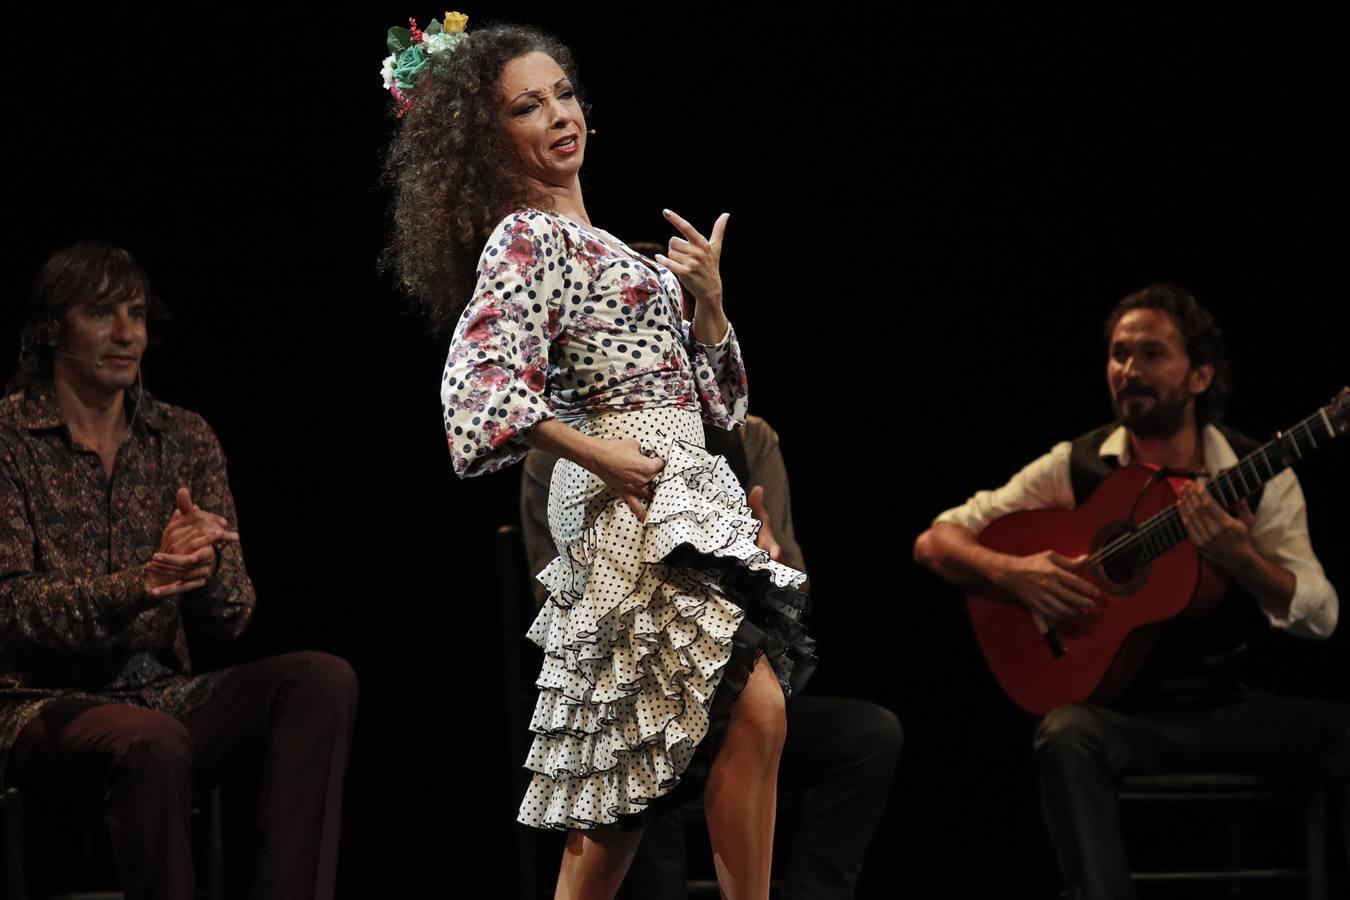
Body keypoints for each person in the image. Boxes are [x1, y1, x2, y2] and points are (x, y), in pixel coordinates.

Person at [381, 16, 816, 899]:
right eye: (527, 106)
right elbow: (478, 386)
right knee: (655, 763)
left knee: (659, 761)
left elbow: (724, 405)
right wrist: (600, 457)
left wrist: (710, 307)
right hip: (624, 505)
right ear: (487, 138)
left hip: (687, 490)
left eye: (565, 94)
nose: (558, 114)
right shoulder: (525, 239)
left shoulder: (625, 252)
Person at [912, 283, 1346, 899]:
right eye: (1118, 355)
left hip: (1223, 708)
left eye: (1151, 354)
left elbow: (1322, 613)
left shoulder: (1257, 473)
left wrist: (1240, 559)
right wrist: (1015, 573)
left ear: (1199, 375)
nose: (1128, 371)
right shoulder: (1079, 465)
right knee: (1064, 736)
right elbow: (936, 540)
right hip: (1120, 716)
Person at [0, 243, 358, 900]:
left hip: (164, 696)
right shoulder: (9, 440)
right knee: (154, 742)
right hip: (37, 706)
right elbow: (13, 610)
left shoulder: (183, 437)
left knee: (319, 681)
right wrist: (140, 584)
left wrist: (205, 566)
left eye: (136, 314)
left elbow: (235, 614)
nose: (128, 334)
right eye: (103, 313)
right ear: (52, 327)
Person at [522, 415, 902, 899]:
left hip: (734, 675)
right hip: (631, 694)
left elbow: (795, 583)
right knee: (646, 767)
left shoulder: (749, 438)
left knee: (866, 734)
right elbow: (556, 605)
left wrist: (765, 563)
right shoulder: (565, 449)